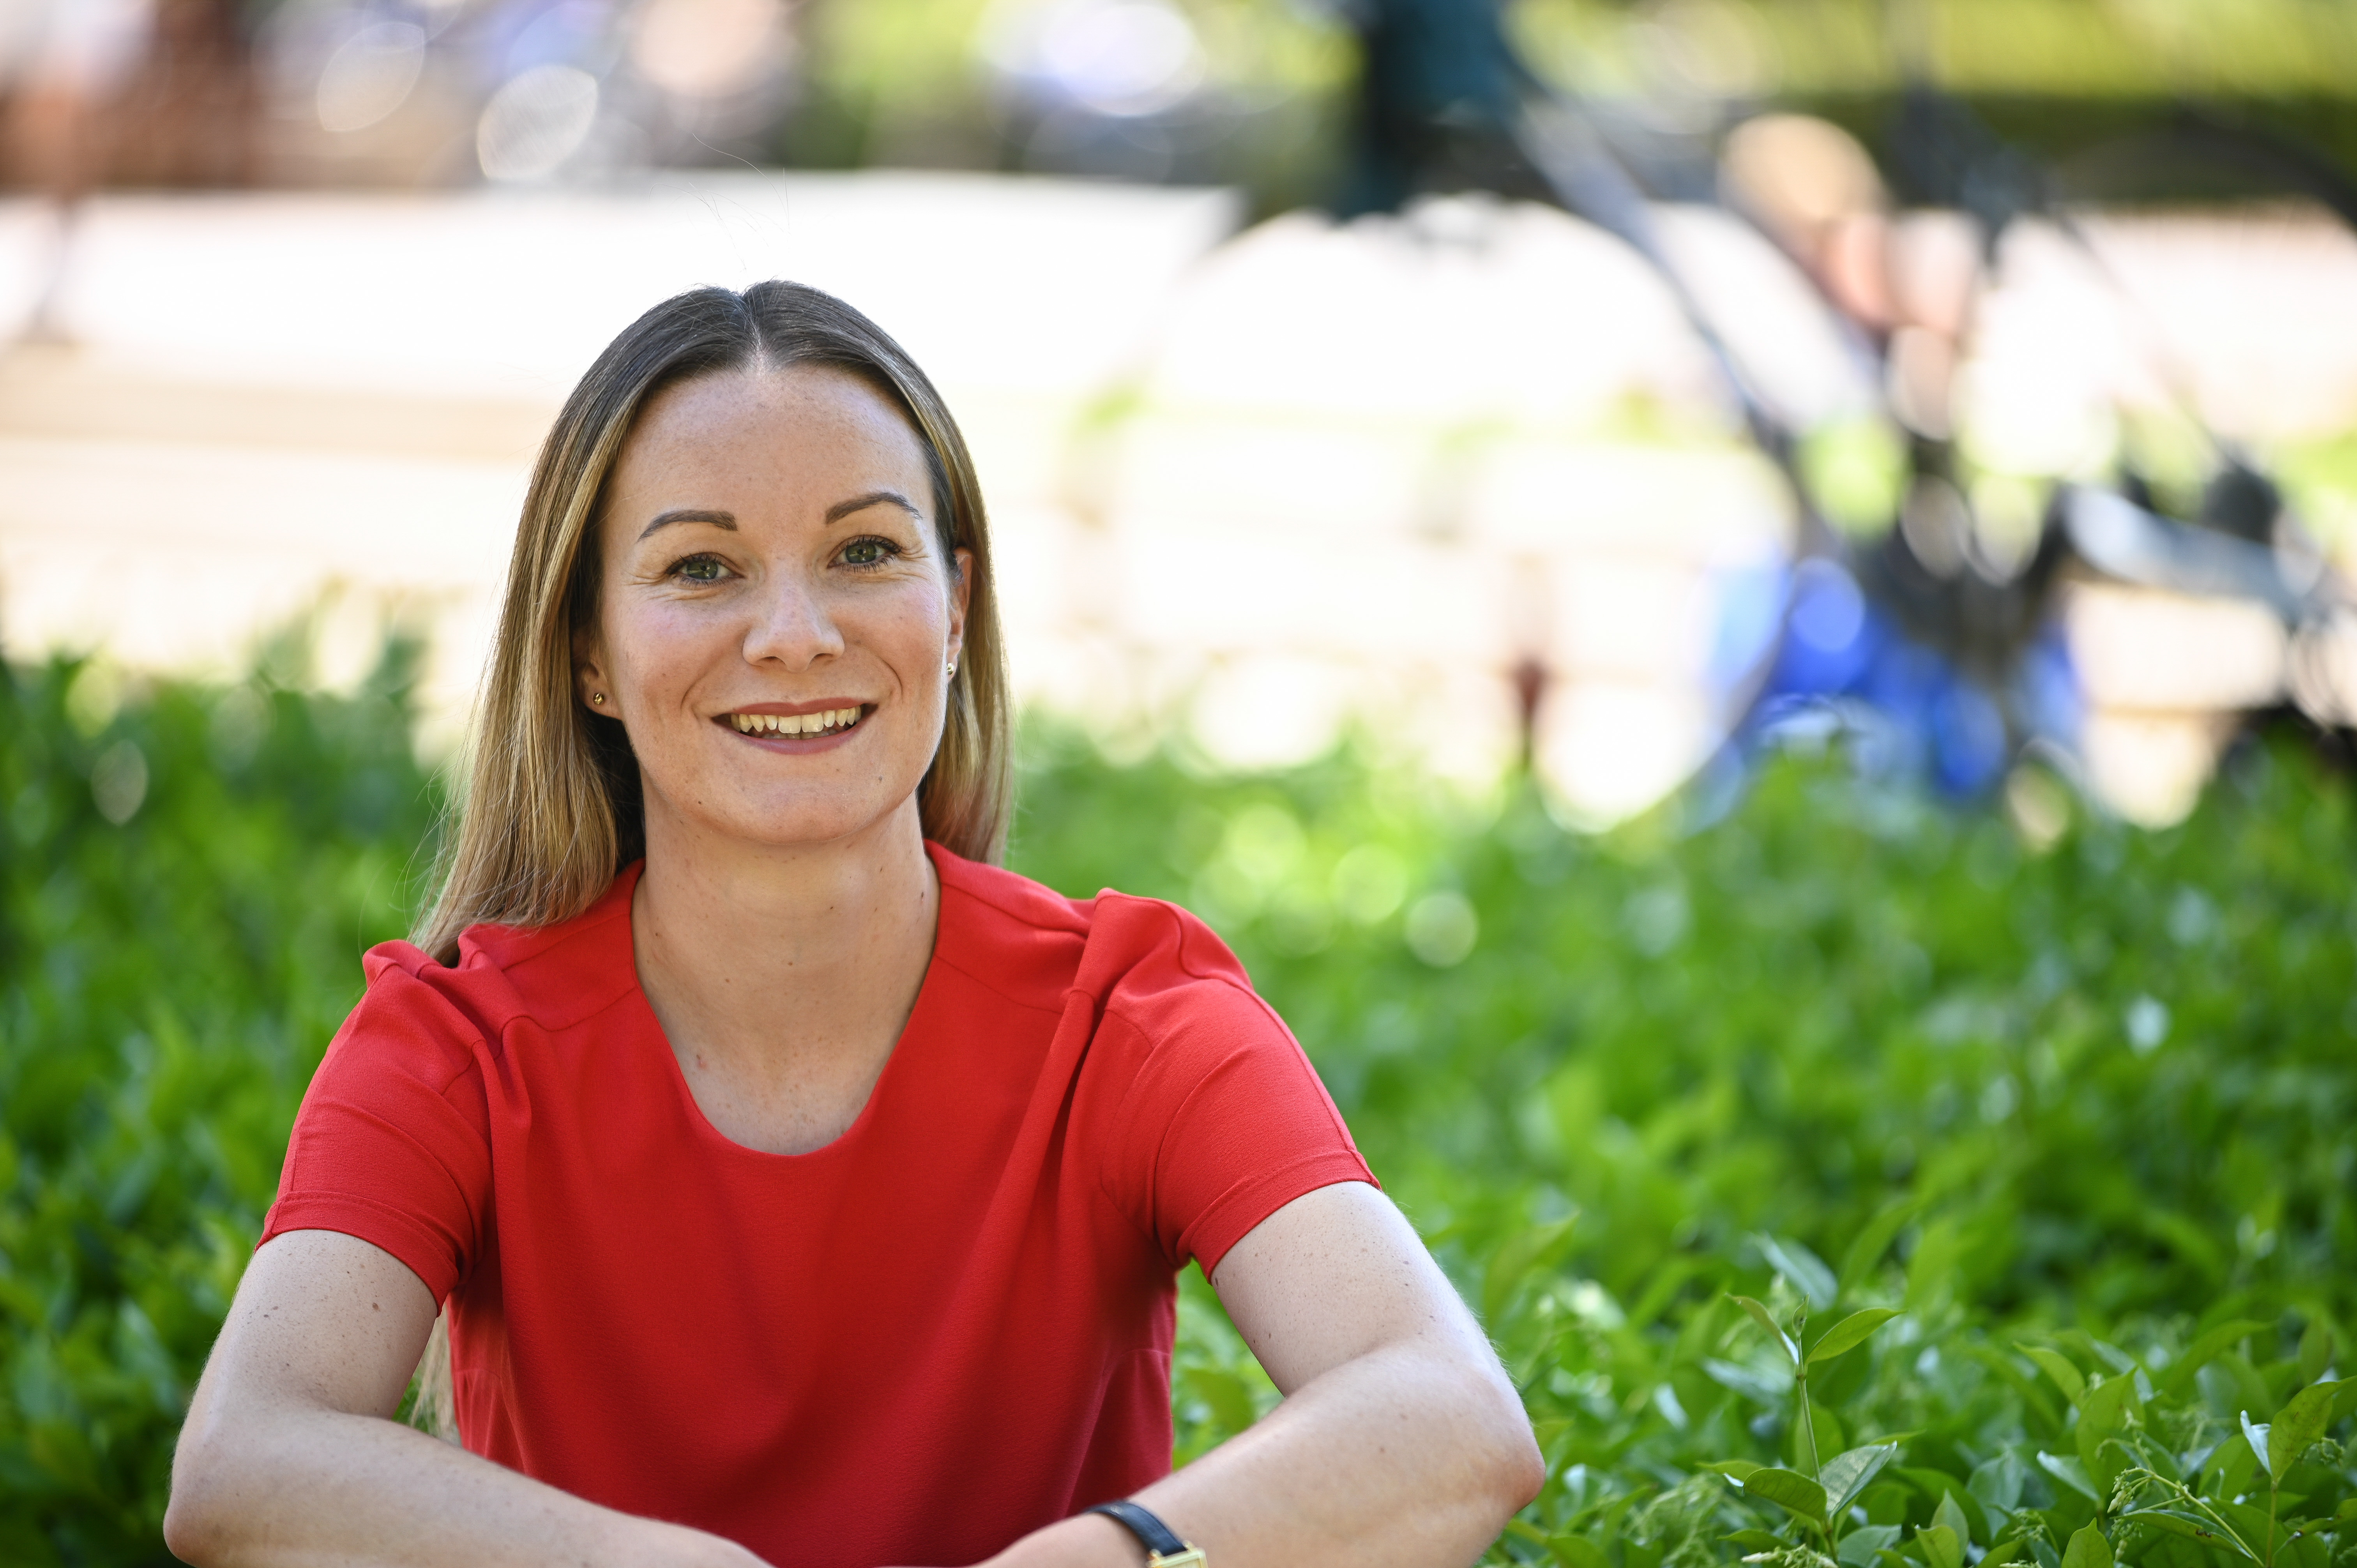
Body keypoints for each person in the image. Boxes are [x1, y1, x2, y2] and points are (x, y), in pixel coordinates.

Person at [163, 281, 1542, 1568]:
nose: (795, 633)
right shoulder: (456, 1047)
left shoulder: (1132, 1015)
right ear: (587, 649)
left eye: (864, 551)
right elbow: (242, 1462)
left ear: (953, 611)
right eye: (702, 569)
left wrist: (1108, 1558)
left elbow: (1452, 1419)